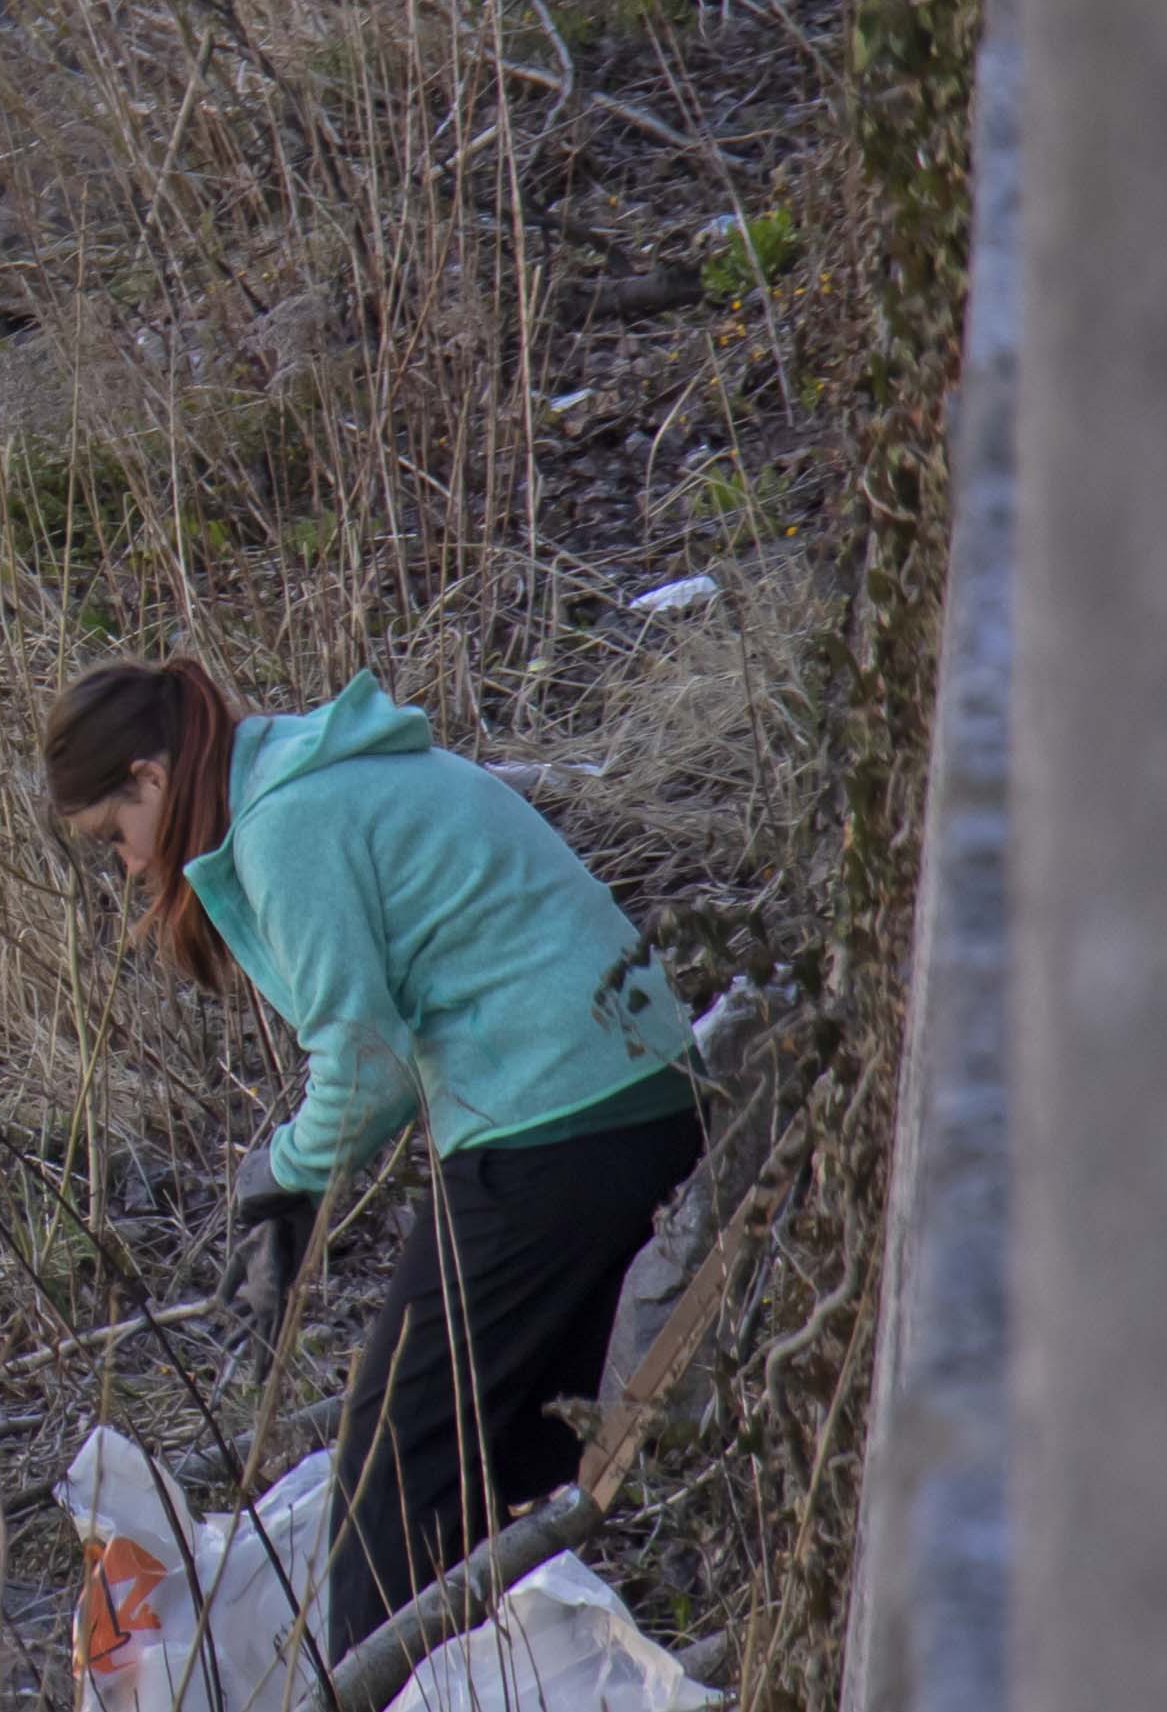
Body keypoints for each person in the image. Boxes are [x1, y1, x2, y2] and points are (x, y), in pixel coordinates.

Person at [43, 658, 703, 1659]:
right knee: (514, 1444)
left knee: (393, 1473)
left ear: (150, 777)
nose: (131, 866)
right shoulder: (306, 777)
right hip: (634, 1094)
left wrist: (283, 1173)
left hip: (557, 1119)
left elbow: (368, 1067)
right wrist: (303, 1180)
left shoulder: (282, 828)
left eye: (115, 836)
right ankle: (525, 1702)